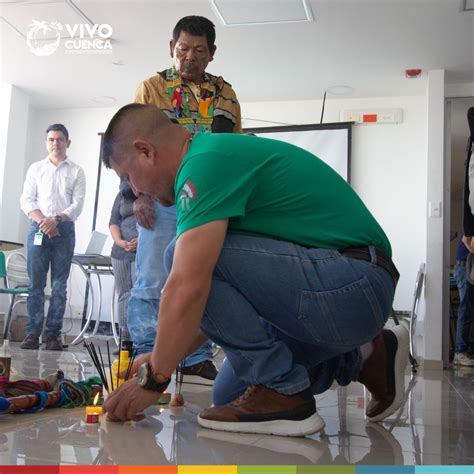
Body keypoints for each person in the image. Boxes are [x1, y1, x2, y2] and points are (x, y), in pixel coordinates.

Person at [102, 104, 409, 437]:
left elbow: (189, 285)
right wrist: (161, 355)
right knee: (231, 395)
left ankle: (287, 392)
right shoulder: (207, 159)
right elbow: (217, 309)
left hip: (353, 283)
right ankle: (368, 357)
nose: (134, 190)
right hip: (342, 294)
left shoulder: (203, 163)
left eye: (127, 176)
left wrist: (155, 378)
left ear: (145, 151)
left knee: (181, 256)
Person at [127, 15, 242, 382]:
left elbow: (230, 149)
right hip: (160, 198)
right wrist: (140, 195)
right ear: (171, 49)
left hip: (205, 201)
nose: (189, 57)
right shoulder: (151, 88)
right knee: (151, 280)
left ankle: (194, 359)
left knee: (199, 278)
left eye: (198, 50)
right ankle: (148, 351)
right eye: (182, 49)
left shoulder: (225, 94)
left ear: (211, 54)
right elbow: (135, 146)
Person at [19, 124, 85, 351]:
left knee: (59, 286)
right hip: (38, 229)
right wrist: (45, 222)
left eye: (59, 139)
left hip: (63, 232)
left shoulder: (76, 171)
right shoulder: (35, 169)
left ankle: (53, 336)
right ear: (46, 142)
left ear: (68, 142)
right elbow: (27, 200)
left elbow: (77, 205)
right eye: (51, 139)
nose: (55, 143)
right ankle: (32, 334)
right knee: (36, 285)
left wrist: (56, 220)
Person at [109, 179, 138, 352]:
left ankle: (140, 339)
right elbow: (113, 222)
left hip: (143, 250)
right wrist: (120, 242)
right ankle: (125, 340)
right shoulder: (121, 196)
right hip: (120, 252)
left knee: (139, 294)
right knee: (124, 295)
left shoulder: (152, 195)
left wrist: (143, 241)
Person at [457, 106, 474, 365]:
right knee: (468, 306)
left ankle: (464, 350)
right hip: (465, 260)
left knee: (469, 306)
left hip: (465, 258)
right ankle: (462, 351)